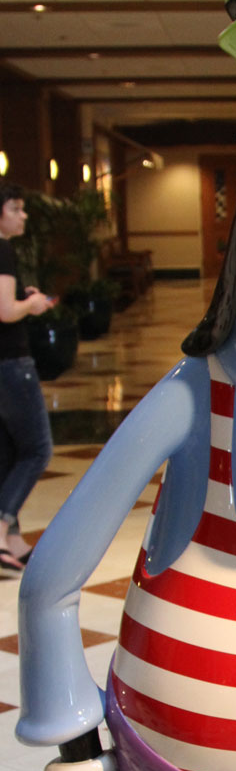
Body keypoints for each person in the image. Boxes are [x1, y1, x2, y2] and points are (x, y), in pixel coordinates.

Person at [0, 183, 55, 574]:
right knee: (37, 449)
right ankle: (1, 526)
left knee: (8, 452)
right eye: (16, 209)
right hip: (11, 362)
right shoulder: (2, 248)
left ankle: (12, 540)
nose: (23, 216)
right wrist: (31, 304)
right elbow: (5, 311)